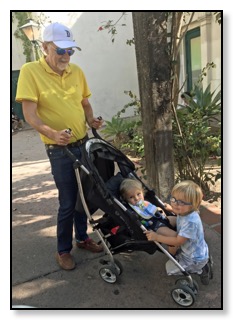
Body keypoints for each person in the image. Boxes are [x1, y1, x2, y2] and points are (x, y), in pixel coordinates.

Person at [15, 22, 104, 271]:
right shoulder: (30, 71)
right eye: (60, 51)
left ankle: (82, 238)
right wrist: (53, 133)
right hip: (59, 150)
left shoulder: (76, 71)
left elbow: (85, 104)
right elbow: (29, 115)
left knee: (84, 197)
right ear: (45, 48)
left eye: (70, 51)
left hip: (83, 144)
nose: (66, 56)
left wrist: (91, 120)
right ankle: (63, 250)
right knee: (68, 201)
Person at [144, 180, 213, 285]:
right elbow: (180, 216)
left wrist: (157, 237)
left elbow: (177, 241)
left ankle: (201, 270)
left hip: (193, 258)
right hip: (197, 250)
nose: (175, 203)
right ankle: (204, 262)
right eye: (174, 199)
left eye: (181, 202)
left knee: (170, 269)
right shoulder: (187, 211)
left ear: (193, 205)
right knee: (170, 219)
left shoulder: (190, 222)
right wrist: (171, 209)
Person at [119, 178, 177, 254]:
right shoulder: (132, 210)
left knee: (179, 219)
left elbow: (153, 209)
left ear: (142, 192)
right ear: (126, 200)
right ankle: (175, 255)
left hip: (162, 219)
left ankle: (190, 240)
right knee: (174, 237)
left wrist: (159, 209)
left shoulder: (145, 203)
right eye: (131, 197)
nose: (136, 198)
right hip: (155, 227)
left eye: (138, 194)